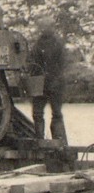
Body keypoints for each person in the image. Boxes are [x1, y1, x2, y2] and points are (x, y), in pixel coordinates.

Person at [31, 15, 68, 144]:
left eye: (45, 27)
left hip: (54, 83)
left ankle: (58, 140)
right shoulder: (37, 44)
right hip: (42, 84)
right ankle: (40, 140)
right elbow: (33, 63)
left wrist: (55, 79)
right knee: (37, 113)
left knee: (56, 113)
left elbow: (62, 65)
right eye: (42, 27)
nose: (43, 29)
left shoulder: (58, 44)